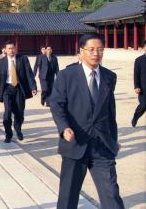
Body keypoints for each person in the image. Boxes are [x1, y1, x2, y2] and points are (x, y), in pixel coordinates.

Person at [50, 33, 124, 209]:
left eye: (100, 49)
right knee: (68, 196)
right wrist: (64, 128)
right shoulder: (66, 75)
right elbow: (56, 104)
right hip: (75, 142)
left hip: (102, 145)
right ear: (81, 51)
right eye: (91, 49)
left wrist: (113, 139)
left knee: (111, 193)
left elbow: (109, 112)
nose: (96, 53)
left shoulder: (109, 76)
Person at [0, 40, 37, 143]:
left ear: (15, 49)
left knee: (19, 113)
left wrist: (33, 87)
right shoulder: (1, 62)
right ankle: (8, 134)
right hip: (7, 89)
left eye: (13, 48)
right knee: (7, 113)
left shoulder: (23, 59)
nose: (11, 50)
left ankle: (18, 129)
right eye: (9, 48)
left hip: (19, 88)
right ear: (5, 50)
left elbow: (29, 74)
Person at [132, 40, 146, 127]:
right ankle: (135, 117)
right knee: (144, 105)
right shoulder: (139, 60)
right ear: (144, 48)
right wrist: (136, 86)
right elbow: (136, 74)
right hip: (143, 88)